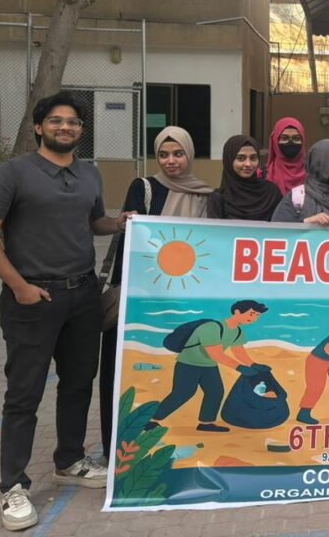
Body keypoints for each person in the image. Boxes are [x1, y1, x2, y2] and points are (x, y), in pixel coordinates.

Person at [0, 92, 133, 531]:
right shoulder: (13, 174)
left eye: (72, 122)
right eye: (55, 121)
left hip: (83, 295)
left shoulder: (89, 174)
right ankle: (13, 485)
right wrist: (19, 286)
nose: (65, 127)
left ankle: (69, 461)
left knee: (78, 383)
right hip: (33, 298)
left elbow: (93, 222)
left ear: (81, 131)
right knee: (24, 393)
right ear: (38, 127)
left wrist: (120, 222)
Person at [100, 125, 214, 462]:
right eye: (163, 154)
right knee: (126, 369)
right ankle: (116, 452)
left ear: (189, 154)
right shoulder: (144, 188)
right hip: (144, 298)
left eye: (178, 153)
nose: (170, 161)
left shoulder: (206, 195)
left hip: (186, 300)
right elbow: (131, 239)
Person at [145, 301, 269, 433]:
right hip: (188, 365)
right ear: (237, 311)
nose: (254, 318)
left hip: (209, 366)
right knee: (182, 394)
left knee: (215, 392)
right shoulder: (211, 328)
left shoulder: (237, 331)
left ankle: (206, 423)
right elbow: (216, 354)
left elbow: (238, 351)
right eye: (251, 314)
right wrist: (240, 368)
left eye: (257, 315)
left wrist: (253, 364)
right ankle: (151, 420)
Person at [207, 135, 283, 221]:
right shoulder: (218, 199)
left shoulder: (271, 193)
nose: (248, 164)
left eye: (253, 158)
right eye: (241, 158)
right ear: (229, 160)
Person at [266, 117, 307, 196]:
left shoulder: (313, 176)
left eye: (296, 138)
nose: (290, 142)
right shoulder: (264, 176)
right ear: (275, 141)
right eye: (284, 138)